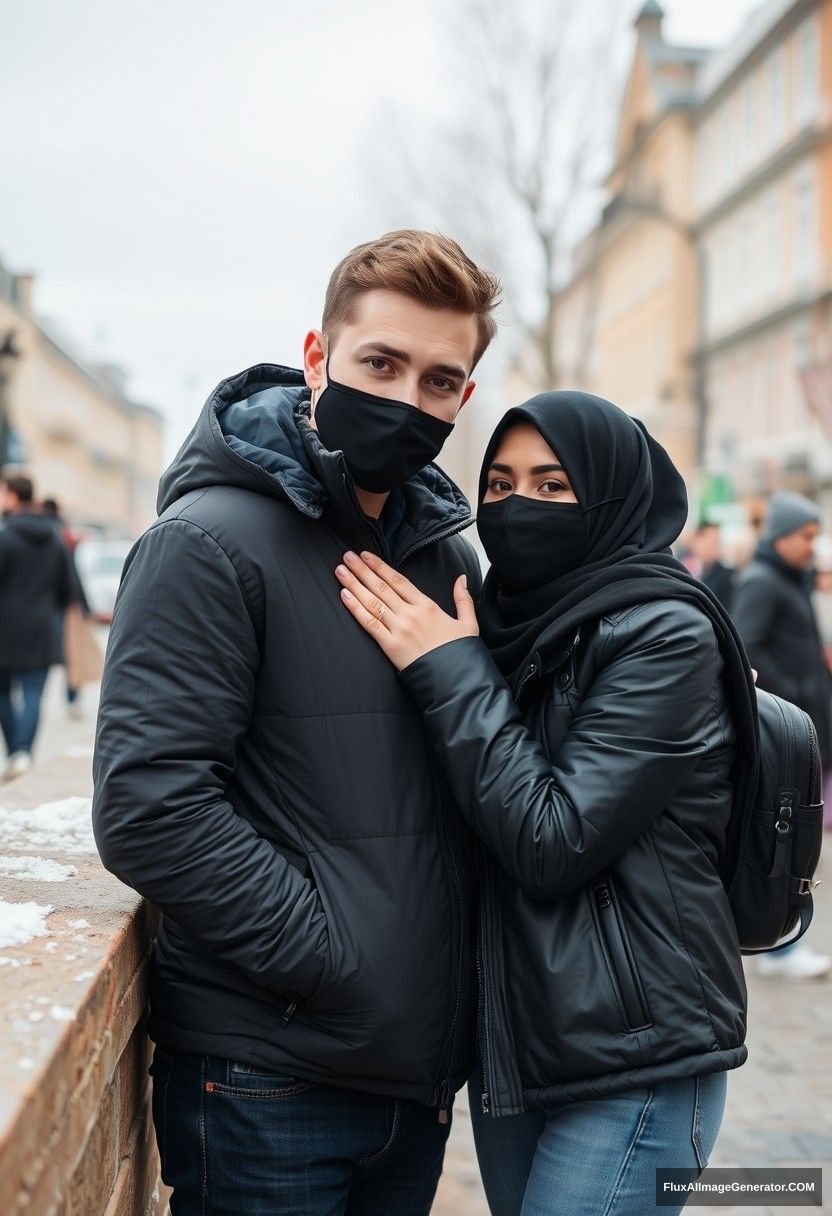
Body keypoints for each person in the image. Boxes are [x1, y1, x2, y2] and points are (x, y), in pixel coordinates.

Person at [92, 230, 500, 1215]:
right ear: (317, 358)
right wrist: (333, 957)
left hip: (410, 1075)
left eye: (439, 381)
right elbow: (149, 802)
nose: (406, 400)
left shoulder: (445, 562)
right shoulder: (205, 543)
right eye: (380, 363)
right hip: (265, 1076)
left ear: (464, 399)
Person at [335, 390, 759, 1216]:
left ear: (611, 493)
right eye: (498, 484)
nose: (517, 506)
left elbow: (550, 839)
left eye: (553, 485)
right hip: (523, 1045)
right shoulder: (504, 620)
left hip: (638, 1057)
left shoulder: (664, 633)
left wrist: (451, 671)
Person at [733, 491, 832, 980]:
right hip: (780, 735)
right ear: (782, 536)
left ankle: (783, 941)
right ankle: (777, 943)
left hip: (801, 729)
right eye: (806, 537)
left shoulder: (791, 579)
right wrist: (794, 690)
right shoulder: (762, 581)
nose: (811, 547)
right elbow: (746, 648)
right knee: (781, 838)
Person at [0, 475, 74, 780]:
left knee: (3, 691)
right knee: (33, 693)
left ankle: (17, 750)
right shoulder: (55, 537)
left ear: (14, 497)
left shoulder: (4, 537)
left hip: (5, 628)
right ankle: (24, 754)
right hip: (43, 627)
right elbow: (66, 588)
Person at [689, 520, 735, 612]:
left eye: (719, 543)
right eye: (713, 544)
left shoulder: (728, 576)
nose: (718, 549)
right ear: (697, 542)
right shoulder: (688, 568)